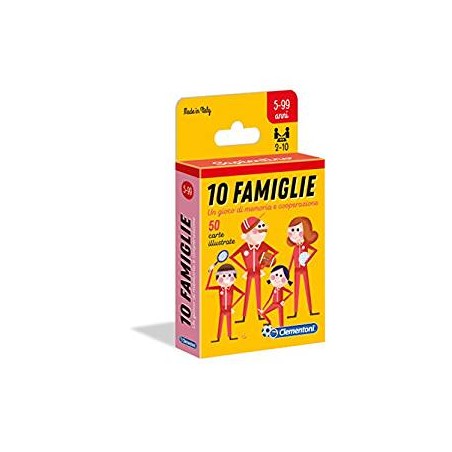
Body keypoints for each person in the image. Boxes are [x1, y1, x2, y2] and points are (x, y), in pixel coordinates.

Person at [229, 217, 278, 323]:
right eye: (256, 231)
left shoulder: (263, 246)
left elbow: (275, 252)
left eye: (263, 230)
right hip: (249, 273)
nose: (261, 234)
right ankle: (243, 316)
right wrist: (244, 269)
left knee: (258, 294)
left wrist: (264, 264)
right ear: (245, 235)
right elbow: (232, 257)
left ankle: (259, 314)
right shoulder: (244, 247)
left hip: (258, 273)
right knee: (247, 294)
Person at [287, 217, 319, 317]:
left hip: (304, 269)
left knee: (307, 289)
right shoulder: (295, 248)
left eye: (297, 230)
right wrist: (287, 272)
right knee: (296, 291)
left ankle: (310, 311)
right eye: (292, 231)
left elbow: (314, 250)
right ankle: (295, 312)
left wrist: (307, 259)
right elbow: (292, 259)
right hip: (296, 270)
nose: (294, 234)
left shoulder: (305, 245)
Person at [206, 263, 245, 342]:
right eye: (223, 276)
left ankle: (230, 336)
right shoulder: (220, 288)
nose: (226, 278)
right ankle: (218, 338)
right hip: (222, 309)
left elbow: (242, 294)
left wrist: (233, 305)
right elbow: (207, 287)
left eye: (229, 275)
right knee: (220, 323)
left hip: (229, 309)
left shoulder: (232, 287)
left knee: (229, 323)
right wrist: (211, 271)